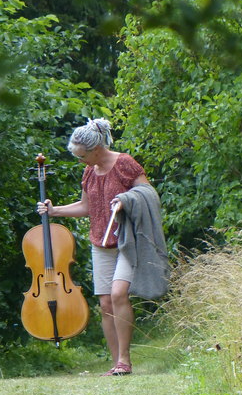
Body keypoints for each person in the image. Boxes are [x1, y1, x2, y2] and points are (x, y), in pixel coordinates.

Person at [37, 118, 168, 376]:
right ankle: (116, 362)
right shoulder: (89, 171)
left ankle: (125, 360)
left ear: (97, 149)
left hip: (127, 241)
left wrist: (126, 199)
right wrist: (55, 211)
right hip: (101, 243)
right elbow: (86, 207)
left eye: (82, 155)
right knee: (106, 303)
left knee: (119, 294)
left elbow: (150, 195)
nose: (80, 160)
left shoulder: (124, 164)